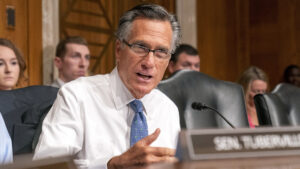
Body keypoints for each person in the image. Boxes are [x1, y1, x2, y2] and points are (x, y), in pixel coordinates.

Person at [34, 4, 181, 169]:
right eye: (140, 47)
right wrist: (111, 166)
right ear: (118, 50)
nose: (149, 62)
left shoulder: (168, 109)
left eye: (161, 51)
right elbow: (46, 166)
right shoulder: (76, 96)